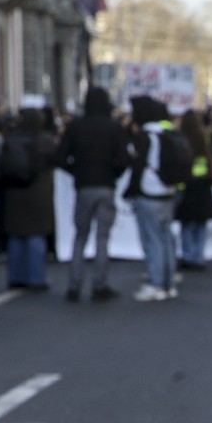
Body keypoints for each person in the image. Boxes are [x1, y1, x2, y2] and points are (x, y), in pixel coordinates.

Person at [57, 86, 130, 301]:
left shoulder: (75, 127)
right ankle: (99, 284)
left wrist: (77, 171)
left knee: (80, 236)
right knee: (102, 238)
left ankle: (74, 284)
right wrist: (113, 173)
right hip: (105, 185)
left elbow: (60, 158)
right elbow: (124, 159)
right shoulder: (114, 127)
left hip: (84, 186)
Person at [125, 97, 180, 302]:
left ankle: (155, 283)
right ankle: (168, 283)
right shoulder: (168, 133)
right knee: (166, 238)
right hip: (168, 190)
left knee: (153, 240)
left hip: (149, 192)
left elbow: (137, 167)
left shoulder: (145, 136)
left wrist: (130, 191)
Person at [0, 110, 56, 292]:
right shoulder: (45, 140)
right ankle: (36, 278)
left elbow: (0, 168)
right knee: (36, 235)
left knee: (16, 236)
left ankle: (16, 277)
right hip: (38, 192)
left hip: (13, 192)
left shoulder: (10, 139)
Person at [175, 109, 212, 272]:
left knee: (187, 223)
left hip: (187, 184)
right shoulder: (204, 138)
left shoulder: (181, 138)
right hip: (203, 184)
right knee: (201, 223)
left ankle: (188, 255)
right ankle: (199, 256)